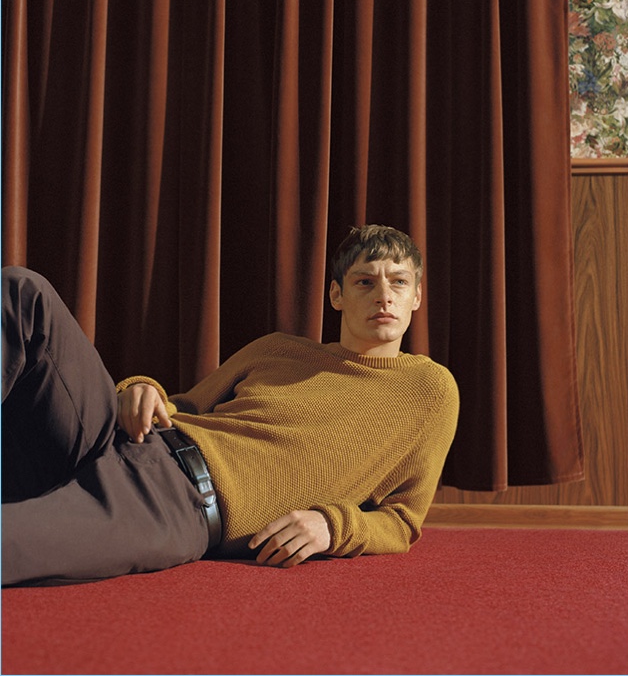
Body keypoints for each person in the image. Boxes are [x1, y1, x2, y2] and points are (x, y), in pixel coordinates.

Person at [2, 224, 459, 586]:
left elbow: (402, 520)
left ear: (416, 297)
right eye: (365, 281)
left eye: (399, 282)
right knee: (23, 291)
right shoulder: (277, 349)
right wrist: (139, 387)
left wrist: (332, 525)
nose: (384, 295)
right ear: (337, 295)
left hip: (174, 504)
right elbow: (185, 404)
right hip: (132, 436)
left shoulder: (429, 389)